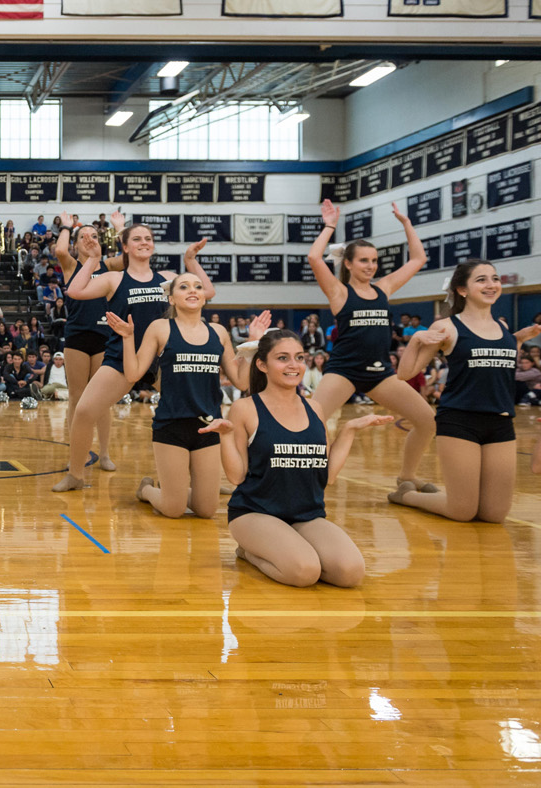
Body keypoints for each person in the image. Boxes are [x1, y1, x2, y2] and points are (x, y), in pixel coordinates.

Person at [203, 330, 394, 588]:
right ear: (262, 365)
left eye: (299, 357)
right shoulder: (246, 408)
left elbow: (328, 476)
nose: (294, 365)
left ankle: (290, 545)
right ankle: (249, 552)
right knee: (304, 571)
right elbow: (237, 477)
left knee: (351, 573)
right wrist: (225, 437)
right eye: (283, 358)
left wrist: (349, 430)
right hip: (255, 513)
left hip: (306, 514)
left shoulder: (314, 408)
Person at [54, 223, 213, 492]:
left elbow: (207, 292)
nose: (144, 242)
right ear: (125, 247)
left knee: (197, 413)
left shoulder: (166, 279)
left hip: (162, 360)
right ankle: (76, 475)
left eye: (148, 238)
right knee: (82, 411)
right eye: (137, 239)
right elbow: (75, 291)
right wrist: (94, 259)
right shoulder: (114, 279)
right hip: (120, 358)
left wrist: (190, 261)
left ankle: (202, 477)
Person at [389, 260, 541, 522]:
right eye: (481, 280)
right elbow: (404, 373)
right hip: (460, 422)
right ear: (462, 290)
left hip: (501, 422)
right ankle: (406, 496)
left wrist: (518, 338)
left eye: (494, 278)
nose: (491, 284)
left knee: (494, 514)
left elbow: (491, 355)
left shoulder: (504, 330)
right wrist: (416, 339)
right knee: (462, 511)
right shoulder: (446, 327)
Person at [106, 276, 268, 519]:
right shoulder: (160, 328)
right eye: (184, 287)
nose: (192, 290)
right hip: (171, 425)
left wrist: (251, 343)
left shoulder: (219, 332)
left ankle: (175, 490)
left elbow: (242, 381)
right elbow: (133, 373)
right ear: (171, 298)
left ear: (204, 297)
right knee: (173, 510)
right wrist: (128, 338)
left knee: (206, 511)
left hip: (209, 428)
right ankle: (148, 490)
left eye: (198, 287)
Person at [307, 199, 437, 493]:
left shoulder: (385, 288)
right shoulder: (339, 292)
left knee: (427, 420)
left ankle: (407, 477)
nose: (371, 265)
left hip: (380, 373)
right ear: (349, 264)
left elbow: (418, 260)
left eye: (374, 260)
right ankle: (310, 478)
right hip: (343, 371)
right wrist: (329, 225)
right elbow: (315, 258)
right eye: (364, 260)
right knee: (310, 422)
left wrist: (406, 224)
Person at [54, 210, 126, 471]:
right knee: (76, 397)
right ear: (76, 242)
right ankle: (79, 454)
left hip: (105, 337)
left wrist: (119, 228)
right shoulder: (72, 266)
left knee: (102, 400)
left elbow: (130, 256)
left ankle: (104, 454)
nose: (88, 239)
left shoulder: (109, 266)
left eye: (93, 235)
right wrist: (65, 226)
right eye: (82, 236)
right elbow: (60, 250)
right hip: (77, 336)